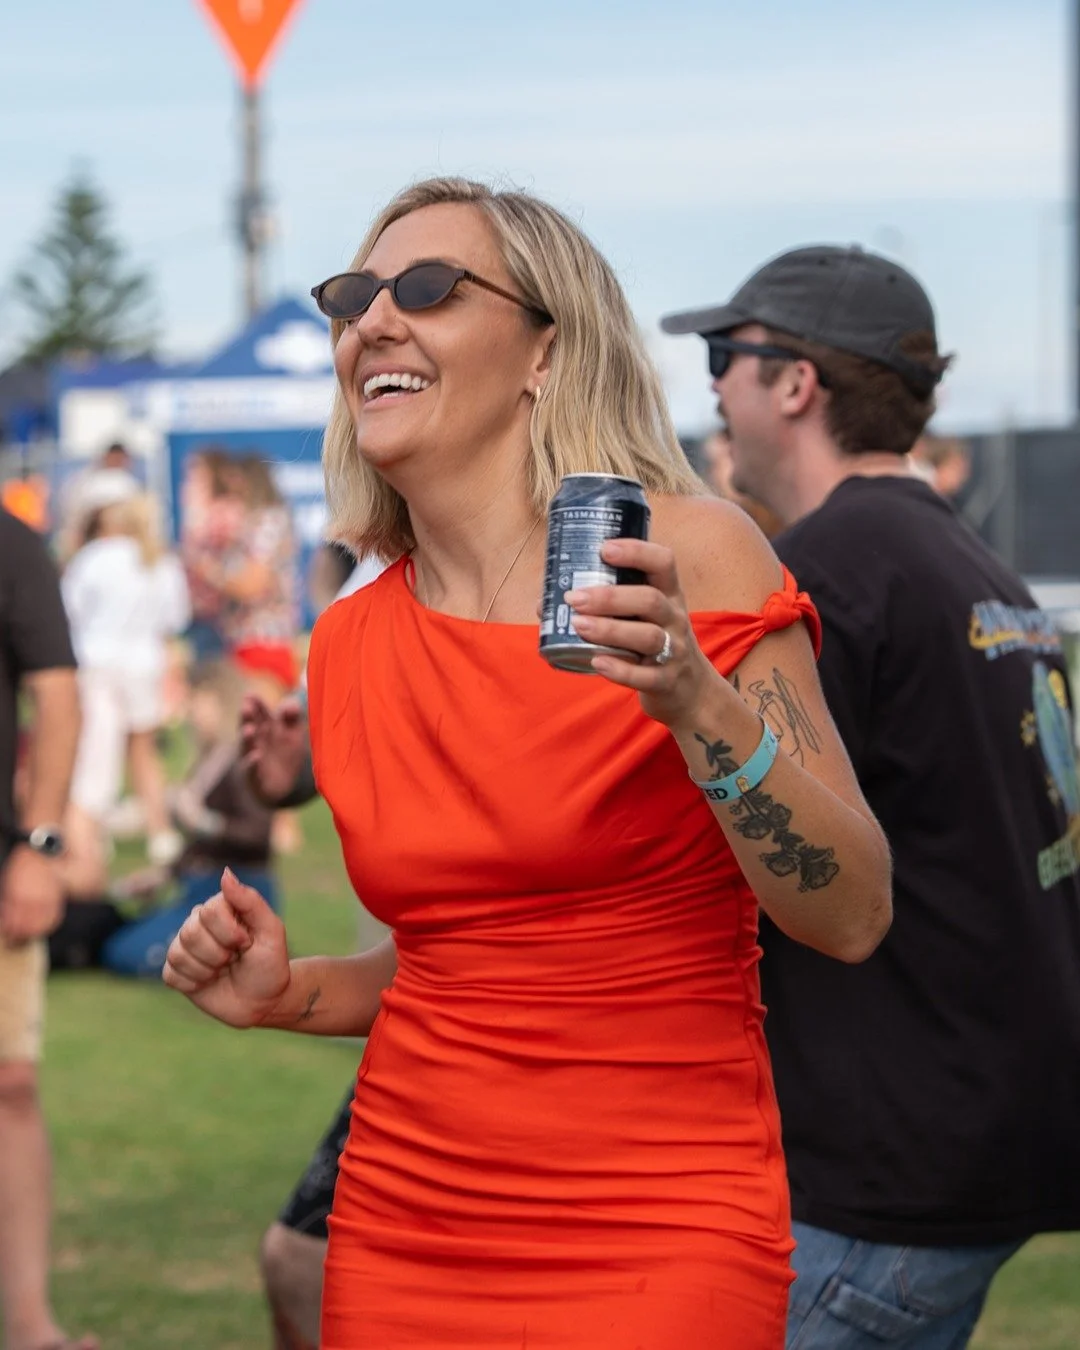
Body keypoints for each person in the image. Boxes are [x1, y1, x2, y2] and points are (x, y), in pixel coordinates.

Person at [163, 177, 892, 1350]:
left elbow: (851, 911)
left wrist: (695, 700)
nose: (373, 322)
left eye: (427, 289)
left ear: (546, 349)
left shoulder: (686, 555)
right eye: (352, 298)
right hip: (404, 1228)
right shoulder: (350, 639)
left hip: (659, 1229)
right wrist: (283, 993)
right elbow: (455, 968)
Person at [660, 244, 1080, 1348]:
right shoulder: (976, 568)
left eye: (725, 355)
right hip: (972, 1135)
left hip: (877, 1171)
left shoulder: (827, 575)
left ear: (796, 383)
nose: (714, 388)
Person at [0, 507, 95, 1350]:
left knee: (11, 1086)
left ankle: (29, 1320)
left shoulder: (10, 542)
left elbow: (58, 698)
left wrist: (39, 848)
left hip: (4, 863)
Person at [62, 492, 191, 873]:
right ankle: (159, 832)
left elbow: (69, 610)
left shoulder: (93, 558)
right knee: (143, 750)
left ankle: (86, 834)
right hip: (142, 664)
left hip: (96, 664)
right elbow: (176, 618)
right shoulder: (161, 561)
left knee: (94, 754)